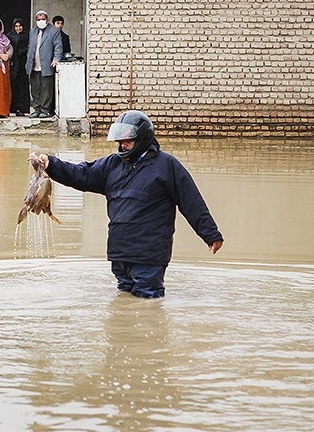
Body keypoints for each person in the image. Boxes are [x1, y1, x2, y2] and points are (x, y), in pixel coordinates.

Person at [30, 110, 224, 299]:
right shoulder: (112, 165)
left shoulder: (166, 166)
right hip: (119, 253)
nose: (123, 146)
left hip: (149, 256)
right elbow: (82, 174)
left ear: (142, 139)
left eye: (128, 141)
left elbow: (191, 202)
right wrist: (52, 165)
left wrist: (210, 234)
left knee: (149, 305)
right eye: (120, 142)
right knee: (125, 302)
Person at [25, 10, 63, 119]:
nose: (41, 21)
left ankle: (45, 110)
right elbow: (30, 47)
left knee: (46, 88)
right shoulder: (32, 31)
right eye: (38, 19)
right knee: (35, 88)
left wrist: (56, 59)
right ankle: (36, 109)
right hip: (33, 64)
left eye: (43, 19)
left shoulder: (54, 31)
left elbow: (58, 47)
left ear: (47, 19)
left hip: (47, 64)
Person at [7, 18, 30, 116]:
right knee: (13, 86)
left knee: (22, 86)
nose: (18, 28)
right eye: (16, 26)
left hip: (23, 64)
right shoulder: (9, 36)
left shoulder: (28, 36)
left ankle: (21, 108)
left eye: (20, 26)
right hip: (13, 64)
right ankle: (13, 108)